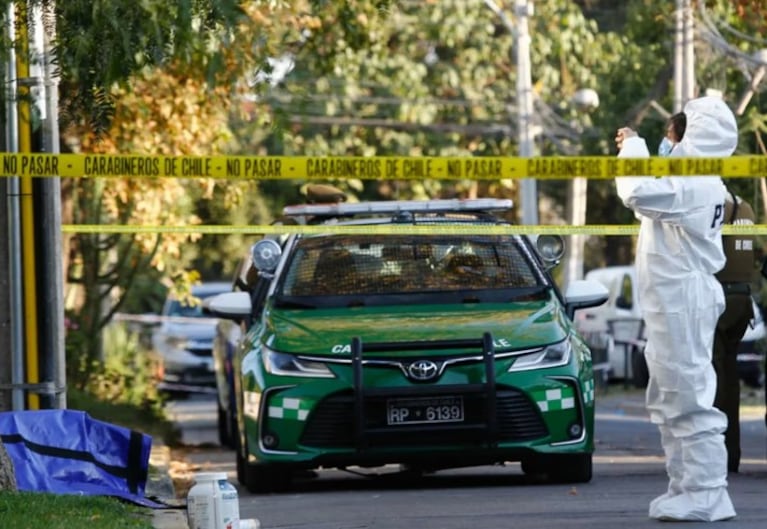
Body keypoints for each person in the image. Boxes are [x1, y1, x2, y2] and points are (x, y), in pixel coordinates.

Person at [614, 95, 738, 522]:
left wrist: (634, 147)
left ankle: (707, 493)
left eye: (671, 139)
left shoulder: (694, 182)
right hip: (674, 301)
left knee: (689, 398)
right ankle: (686, 487)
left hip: (683, 301)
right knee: (671, 397)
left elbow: (634, 190)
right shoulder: (697, 180)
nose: (668, 146)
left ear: (691, 138)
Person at [657, 110, 757, 475]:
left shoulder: (702, 198)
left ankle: (710, 457)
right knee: (727, 378)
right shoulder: (743, 205)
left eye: (670, 137)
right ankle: (730, 454)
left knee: (706, 383)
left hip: (712, 299)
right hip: (742, 301)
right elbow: (756, 253)